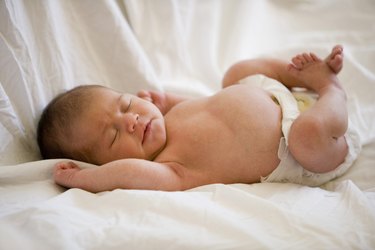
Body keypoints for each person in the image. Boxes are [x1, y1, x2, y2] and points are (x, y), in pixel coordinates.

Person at [37, 45, 360, 193]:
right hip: (301, 146)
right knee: (309, 135)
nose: (131, 120)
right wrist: (82, 179)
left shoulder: (171, 116)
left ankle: (295, 75)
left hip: (276, 94)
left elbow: (206, 107)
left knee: (236, 73)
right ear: (104, 163)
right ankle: (329, 88)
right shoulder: (170, 169)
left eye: (125, 105)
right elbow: (125, 174)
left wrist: (168, 101)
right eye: (113, 135)